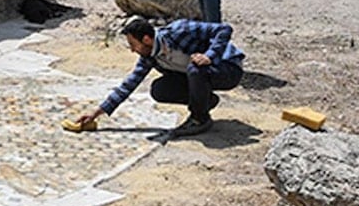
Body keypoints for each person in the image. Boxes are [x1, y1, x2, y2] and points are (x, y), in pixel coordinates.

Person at [77, 15, 244, 137]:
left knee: (195, 67)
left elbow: (224, 29)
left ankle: (199, 119)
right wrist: (95, 114)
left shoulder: (179, 30)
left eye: (133, 44)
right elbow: (128, 85)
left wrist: (209, 56)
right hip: (199, 76)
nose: (132, 50)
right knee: (160, 89)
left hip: (227, 68)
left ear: (147, 39)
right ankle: (204, 102)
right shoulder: (149, 57)